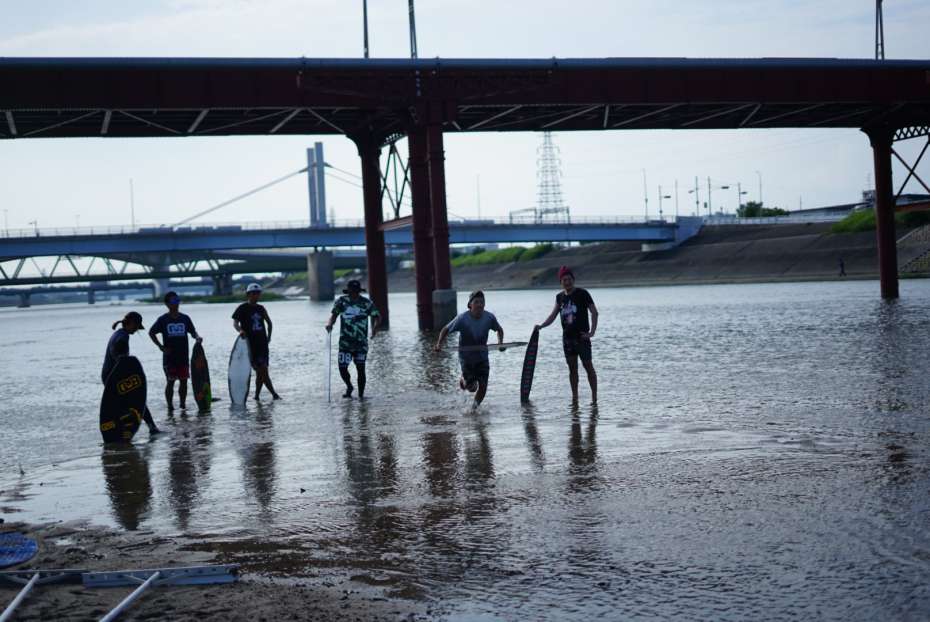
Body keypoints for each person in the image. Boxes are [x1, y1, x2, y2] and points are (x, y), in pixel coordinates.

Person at [535, 266, 598, 404]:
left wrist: (591, 332)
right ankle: (575, 397)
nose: (567, 282)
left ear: (573, 280)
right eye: (564, 280)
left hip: (582, 338)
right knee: (572, 369)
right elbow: (552, 316)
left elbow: (594, 312)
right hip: (567, 339)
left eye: (569, 279)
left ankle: (594, 398)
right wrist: (541, 326)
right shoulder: (560, 297)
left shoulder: (583, 293)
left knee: (588, 367)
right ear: (560, 282)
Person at [434, 290, 504, 406]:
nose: (480, 305)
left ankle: (473, 409)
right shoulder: (462, 319)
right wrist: (439, 344)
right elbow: (445, 329)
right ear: (470, 304)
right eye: (476, 302)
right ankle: (463, 381)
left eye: (482, 302)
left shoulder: (489, 318)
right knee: (471, 387)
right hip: (466, 357)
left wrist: (500, 343)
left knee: (483, 385)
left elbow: (499, 330)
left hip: (482, 357)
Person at [102, 311, 160, 434]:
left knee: (129, 402)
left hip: (109, 375)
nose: (136, 330)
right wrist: (123, 360)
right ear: (132, 323)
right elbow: (117, 352)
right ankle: (151, 427)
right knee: (137, 399)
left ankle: (119, 430)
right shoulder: (123, 336)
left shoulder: (117, 333)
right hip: (115, 377)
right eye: (137, 326)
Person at [325, 279, 381, 399]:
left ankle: (361, 396)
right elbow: (333, 316)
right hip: (345, 342)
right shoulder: (341, 301)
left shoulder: (367, 303)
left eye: (356, 291)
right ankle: (349, 386)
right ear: (349, 291)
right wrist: (329, 324)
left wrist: (375, 328)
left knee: (361, 369)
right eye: (352, 291)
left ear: (359, 291)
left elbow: (377, 316)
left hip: (361, 343)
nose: (354, 294)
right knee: (342, 368)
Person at [148, 291, 202, 411]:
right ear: (167, 304)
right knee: (170, 382)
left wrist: (197, 337)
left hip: (183, 356)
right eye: (173, 301)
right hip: (169, 358)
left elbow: (193, 332)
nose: (176, 303)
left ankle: (183, 405)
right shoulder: (162, 320)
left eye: (178, 300)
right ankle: (170, 407)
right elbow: (151, 333)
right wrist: (160, 346)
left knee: (184, 382)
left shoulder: (185, 318)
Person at [232, 283, 281, 401]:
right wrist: (240, 331)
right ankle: (274, 394)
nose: (256, 296)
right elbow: (235, 323)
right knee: (261, 371)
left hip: (262, 345)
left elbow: (269, 323)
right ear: (248, 295)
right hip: (249, 346)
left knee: (262, 371)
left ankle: (257, 397)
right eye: (253, 293)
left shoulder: (261, 308)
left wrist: (269, 337)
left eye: (258, 293)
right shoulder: (242, 308)